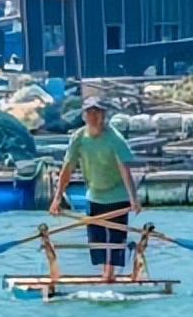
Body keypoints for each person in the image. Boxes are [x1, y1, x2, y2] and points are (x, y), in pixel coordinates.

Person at [49, 96, 141, 282]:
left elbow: (124, 168)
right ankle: (104, 275)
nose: (94, 117)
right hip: (94, 196)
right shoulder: (78, 138)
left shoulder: (114, 139)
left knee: (115, 241)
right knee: (97, 241)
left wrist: (133, 199)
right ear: (84, 116)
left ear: (104, 115)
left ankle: (109, 275)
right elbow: (68, 167)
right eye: (90, 113)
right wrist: (57, 198)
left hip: (117, 196)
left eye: (97, 113)